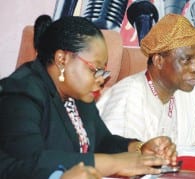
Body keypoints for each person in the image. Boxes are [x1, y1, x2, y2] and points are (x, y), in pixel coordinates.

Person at [0, 15, 177, 179]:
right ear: (62, 59)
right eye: (95, 69)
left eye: (103, 71)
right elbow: (31, 162)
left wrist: (139, 148)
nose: (101, 79)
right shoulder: (20, 92)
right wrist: (115, 163)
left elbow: (103, 141)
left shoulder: (77, 94)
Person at [96, 13, 195, 145]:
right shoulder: (129, 96)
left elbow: (192, 150)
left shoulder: (189, 96)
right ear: (158, 61)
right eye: (186, 59)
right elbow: (120, 157)